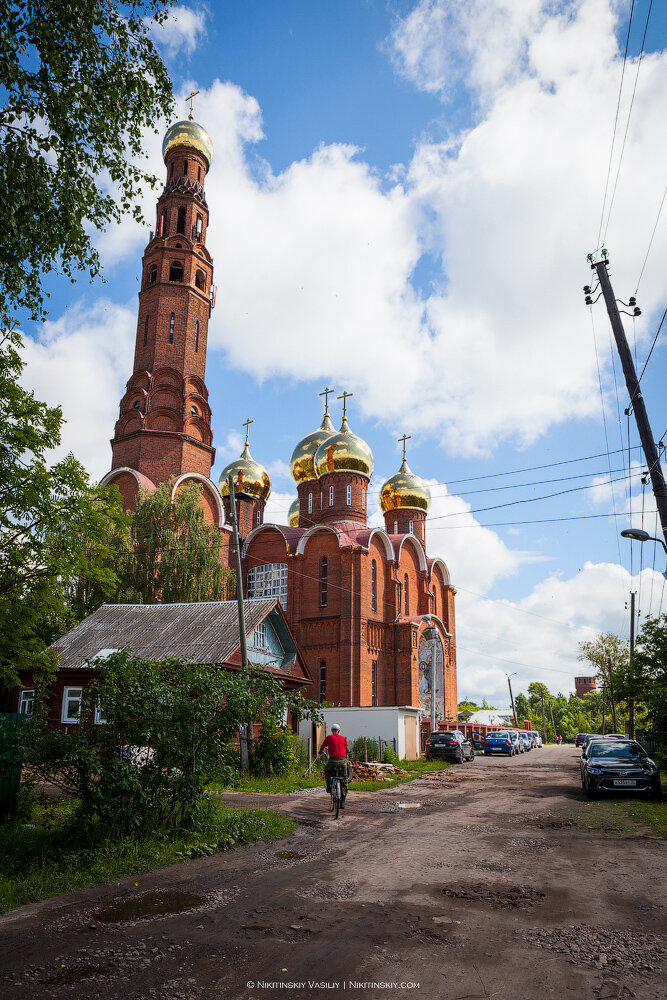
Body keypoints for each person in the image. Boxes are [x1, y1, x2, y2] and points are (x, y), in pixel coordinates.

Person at [319, 724, 352, 807]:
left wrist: (320, 752)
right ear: (339, 731)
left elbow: (322, 747)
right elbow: (348, 750)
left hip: (332, 761)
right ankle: (343, 800)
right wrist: (348, 751)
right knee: (344, 778)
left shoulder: (329, 738)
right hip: (342, 762)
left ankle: (329, 785)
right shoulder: (343, 738)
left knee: (327, 769)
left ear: (331, 730)